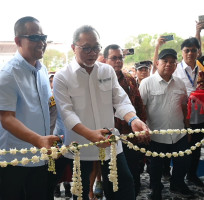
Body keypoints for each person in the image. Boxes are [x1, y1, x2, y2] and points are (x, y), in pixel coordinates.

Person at [53, 25, 150, 200]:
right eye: (86, 48)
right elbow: (67, 113)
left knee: (124, 189)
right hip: (80, 146)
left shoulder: (107, 70)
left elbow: (120, 100)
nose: (92, 53)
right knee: (81, 193)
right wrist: (89, 134)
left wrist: (133, 120)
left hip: (110, 143)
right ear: (73, 47)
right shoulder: (62, 76)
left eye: (96, 47)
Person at [0, 16, 60, 200]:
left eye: (43, 37)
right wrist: (38, 140)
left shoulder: (42, 70)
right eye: (35, 38)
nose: (42, 42)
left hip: (40, 155)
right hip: (15, 160)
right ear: (17, 41)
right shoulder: (7, 73)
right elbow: (6, 118)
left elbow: (46, 109)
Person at [139, 49, 193, 199]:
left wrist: (187, 128)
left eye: (172, 62)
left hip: (178, 133)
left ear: (176, 65)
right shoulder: (146, 83)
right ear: (157, 63)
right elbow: (141, 108)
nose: (169, 64)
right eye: (165, 61)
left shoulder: (180, 83)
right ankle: (156, 188)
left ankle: (177, 184)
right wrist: (144, 129)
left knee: (182, 161)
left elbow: (184, 107)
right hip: (156, 134)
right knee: (155, 166)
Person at [102, 44, 147, 197]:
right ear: (105, 59)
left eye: (120, 58)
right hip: (109, 138)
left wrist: (141, 125)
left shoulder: (129, 79)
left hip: (130, 136)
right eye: (114, 58)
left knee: (132, 175)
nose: (118, 61)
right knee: (111, 176)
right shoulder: (99, 80)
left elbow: (138, 104)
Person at [172, 37, 204, 188]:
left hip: (200, 116)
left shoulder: (202, 68)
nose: (190, 53)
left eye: (193, 50)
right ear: (182, 52)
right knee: (182, 150)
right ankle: (177, 180)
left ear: (198, 52)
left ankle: (192, 176)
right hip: (182, 116)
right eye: (187, 50)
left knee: (196, 148)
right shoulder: (175, 69)